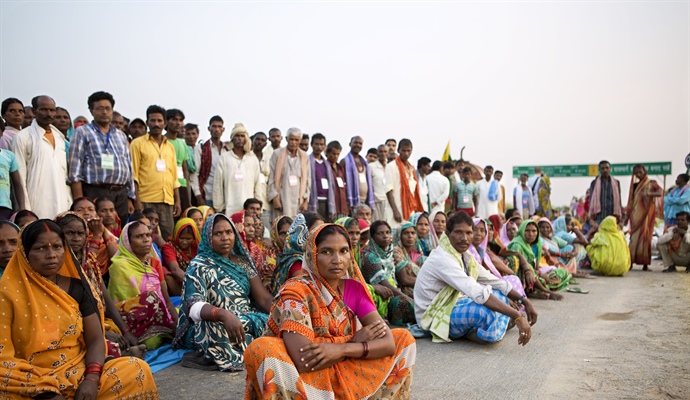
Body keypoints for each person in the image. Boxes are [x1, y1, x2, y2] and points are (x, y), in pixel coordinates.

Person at [244, 224, 416, 399]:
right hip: (307, 378)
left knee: (403, 338)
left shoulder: (354, 289)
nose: (337, 259)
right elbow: (304, 359)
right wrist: (352, 341)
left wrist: (343, 349)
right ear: (312, 254)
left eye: (343, 251)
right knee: (262, 348)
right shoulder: (296, 291)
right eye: (326, 252)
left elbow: (387, 343)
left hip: (344, 365)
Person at [0, 219, 159, 399]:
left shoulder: (77, 287)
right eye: (40, 248)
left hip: (77, 369)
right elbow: (3, 357)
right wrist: (42, 392)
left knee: (137, 370)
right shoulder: (8, 294)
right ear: (25, 253)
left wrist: (91, 379)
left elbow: (95, 339)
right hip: (29, 378)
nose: (51, 254)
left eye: (57, 247)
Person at [414, 212, 537, 344]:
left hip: (453, 303)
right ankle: (486, 332)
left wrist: (524, 300)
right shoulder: (442, 258)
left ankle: (482, 330)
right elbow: (475, 291)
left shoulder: (463, 254)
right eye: (459, 232)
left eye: (468, 233)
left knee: (499, 295)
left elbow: (491, 279)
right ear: (448, 233)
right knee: (485, 313)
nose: (464, 238)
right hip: (434, 314)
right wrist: (517, 316)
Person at [174, 213, 272, 371]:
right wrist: (223, 315)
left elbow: (264, 299)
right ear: (207, 237)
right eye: (218, 234)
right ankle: (220, 353)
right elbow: (193, 306)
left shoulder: (242, 262)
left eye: (229, 232)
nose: (225, 237)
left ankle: (230, 351)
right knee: (215, 329)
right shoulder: (199, 265)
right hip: (215, 321)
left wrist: (283, 314)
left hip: (245, 318)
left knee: (272, 322)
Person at [55, 212, 144, 358]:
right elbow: (65, 314)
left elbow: (105, 297)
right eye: (70, 233)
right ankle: (118, 351)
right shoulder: (56, 265)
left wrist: (125, 330)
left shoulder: (89, 261)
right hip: (70, 325)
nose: (76, 238)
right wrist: (103, 332)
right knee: (92, 342)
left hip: (97, 320)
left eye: (80, 233)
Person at [68, 91, 136, 225]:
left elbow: (128, 167)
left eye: (108, 108)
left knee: (119, 230)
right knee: (95, 228)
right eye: (100, 108)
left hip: (120, 192)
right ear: (91, 110)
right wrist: (79, 200)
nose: (104, 112)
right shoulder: (83, 132)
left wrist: (130, 197)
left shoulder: (121, 135)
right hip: (95, 190)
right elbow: (75, 168)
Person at [108, 221, 178, 350]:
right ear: (128, 241)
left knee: (187, 313)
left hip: (158, 316)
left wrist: (175, 321)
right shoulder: (119, 266)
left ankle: (165, 329)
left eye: (148, 235)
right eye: (139, 236)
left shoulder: (154, 263)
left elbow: (166, 300)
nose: (146, 240)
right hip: (132, 321)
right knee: (150, 342)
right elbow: (120, 304)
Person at [12, 95, 72, 218]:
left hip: (61, 201)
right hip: (36, 201)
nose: (49, 114)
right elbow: (20, 177)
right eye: (44, 109)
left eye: (52, 110)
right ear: (34, 111)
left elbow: (64, 174)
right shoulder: (23, 137)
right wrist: (25, 209)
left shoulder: (59, 138)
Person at [130, 105, 181, 240]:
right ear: (147, 122)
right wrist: (137, 201)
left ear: (165, 123)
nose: (156, 124)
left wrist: (177, 201)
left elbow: (174, 176)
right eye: (152, 120)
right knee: (146, 238)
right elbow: (133, 175)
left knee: (168, 238)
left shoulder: (170, 147)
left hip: (167, 201)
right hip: (146, 199)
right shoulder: (137, 144)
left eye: (159, 121)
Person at [360, 220, 416, 325]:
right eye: (380, 233)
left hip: (391, 291)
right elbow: (385, 284)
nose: (385, 236)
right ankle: (395, 327)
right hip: (380, 296)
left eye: (387, 232)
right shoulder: (370, 256)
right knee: (401, 301)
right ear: (372, 237)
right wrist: (408, 299)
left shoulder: (389, 252)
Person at [508, 220, 568, 298]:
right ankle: (543, 291)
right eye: (527, 231)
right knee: (536, 277)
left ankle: (535, 291)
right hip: (521, 276)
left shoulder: (535, 245)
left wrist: (538, 272)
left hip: (532, 274)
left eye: (534, 231)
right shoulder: (517, 245)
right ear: (522, 231)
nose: (531, 234)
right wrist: (532, 271)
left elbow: (535, 266)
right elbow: (516, 265)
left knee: (561, 272)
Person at [270, 212, 324, 295]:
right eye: (315, 231)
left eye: (323, 230)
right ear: (302, 234)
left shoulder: (315, 258)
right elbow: (310, 294)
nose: (321, 236)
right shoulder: (297, 263)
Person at [213, 123, 261, 215]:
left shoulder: (252, 159)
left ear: (246, 138)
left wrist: (257, 206)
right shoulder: (224, 158)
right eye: (237, 136)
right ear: (232, 138)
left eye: (242, 136)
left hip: (249, 210)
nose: (239, 138)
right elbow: (218, 185)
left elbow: (257, 184)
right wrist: (219, 208)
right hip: (229, 209)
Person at [624, 164, 663, 270]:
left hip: (647, 215)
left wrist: (649, 194)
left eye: (640, 172)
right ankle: (630, 262)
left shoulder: (652, 183)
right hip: (635, 214)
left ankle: (645, 264)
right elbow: (631, 201)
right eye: (636, 173)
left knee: (646, 238)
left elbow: (660, 193)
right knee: (634, 238)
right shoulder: (635, 185)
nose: (638, 175)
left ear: (644, 171)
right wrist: (627, 215)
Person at [268, 127, 311, 220]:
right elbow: (271, 177)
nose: (293, 142)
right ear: (287, 139)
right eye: (291, 139)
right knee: (281, 225)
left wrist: (306, 201)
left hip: (298, 200)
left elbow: (308, 180)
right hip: (282, 198)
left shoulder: (304, 157)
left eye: (296, 140)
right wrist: (274, 197)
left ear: (300, 140)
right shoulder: (277, 154)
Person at [385, 139, 424, 228]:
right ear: (398, 150)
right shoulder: (391, 166)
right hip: (397, 210)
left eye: (408, 151)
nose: (406, 153)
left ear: (411, 151)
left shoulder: (411, 168)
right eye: (403, 150)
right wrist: (395, 211)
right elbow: (388, 190)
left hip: (410, 210)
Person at [192, 115, 229, 208]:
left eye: (219, 127)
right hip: (207, 195)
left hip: (224, 197)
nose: (217, 129)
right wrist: (198, 196)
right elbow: (195, 174)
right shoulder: (201, 148)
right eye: (214, 126)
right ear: (209, 128)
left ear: (223, 129)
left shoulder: (227, 150)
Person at [161, 218, 200, 296]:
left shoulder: (196, 245)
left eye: (188, 239)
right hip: (180, 283)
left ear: (194, 238)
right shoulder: (169, 247)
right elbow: (175, 270)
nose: (184, 242)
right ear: (176, 235)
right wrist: (196, 284)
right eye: (181, 238)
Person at [165, 109, 191, 212]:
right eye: (174, 119)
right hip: (168, 186)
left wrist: (188, 195)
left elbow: (185, 169)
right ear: (166, 121)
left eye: (180, 120)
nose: (178, 123)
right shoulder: (163, 141)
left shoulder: (182, 143)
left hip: (182, 185)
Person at [342, 135, 376, 212]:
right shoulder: (345, 161)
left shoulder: (365, 163)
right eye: (355, 143)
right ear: (350, 144)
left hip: (365, 202)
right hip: (352, 202)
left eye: (360, 143)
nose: (357, 145)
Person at [308, 133, 336, 221]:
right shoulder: (307, 161)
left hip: (327, 201)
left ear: (324, 146)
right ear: (311, 145)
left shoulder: (326, 164)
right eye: (316, 144)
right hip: (314, 201)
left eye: (321, 144)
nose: (319, 147)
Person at [259, 215, 293, 287]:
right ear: (275, 234)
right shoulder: (269, 257)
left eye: (290, 233)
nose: (287, 237)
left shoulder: (299, 253)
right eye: (283, 233)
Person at [392, 221, 421, 296]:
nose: (410, 236)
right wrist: (427, 281)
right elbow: (404, 280)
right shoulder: (396, 251)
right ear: (399, 236)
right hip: (401, 292)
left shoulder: (416, 253)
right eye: (406, 233)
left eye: (413, 233)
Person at [0, 138, 25, 220]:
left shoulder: (8, 156)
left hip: (4, 206)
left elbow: (17, 183)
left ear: (1, 133)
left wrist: (22, 207)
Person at [251, 131, 271, 229]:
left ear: (266, 143)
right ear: (252, 141)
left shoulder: (268, 159)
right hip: (250, 201)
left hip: (265, 203)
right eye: (257, 139)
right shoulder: (247, 158)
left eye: (262, 140)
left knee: (264, 230)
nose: (259, 142)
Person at [325, 140, 350, 219]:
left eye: (337, 154)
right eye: (333, 154)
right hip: (332, 205)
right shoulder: (325, 166)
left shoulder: (340, 168)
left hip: (343, 206)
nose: (335, 156)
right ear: (327, 153)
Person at [370, 144, 391, 222]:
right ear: (377, 153)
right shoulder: (371, 167)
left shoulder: (390, 167)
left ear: (388, 153)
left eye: (385, 151)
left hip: (388, 202)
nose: (383, 153)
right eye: (380, 151)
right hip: (376, 201)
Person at [184, 123, 200, 202]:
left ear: (198, 135)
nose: (191, 137)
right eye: (188, 134)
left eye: (193, 134)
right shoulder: (183, 149)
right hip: (185, 187)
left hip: (199, 189)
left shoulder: (202, 150)